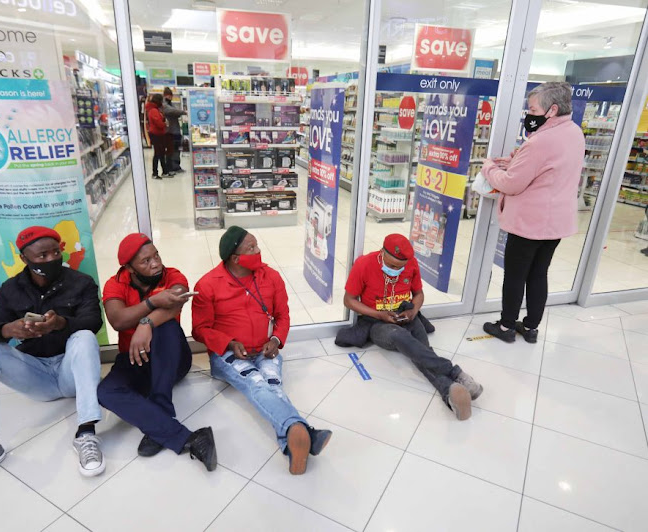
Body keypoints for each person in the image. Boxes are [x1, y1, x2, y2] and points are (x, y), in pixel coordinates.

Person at [0, 226, 105, 498]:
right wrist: (9, 330)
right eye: (42, 255)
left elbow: (93, 321)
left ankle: (86, 433)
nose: (51, 258)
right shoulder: (10, 290)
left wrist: (62, 323)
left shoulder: (81, 282)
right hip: (36, 374)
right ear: (24, 257)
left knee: (85, 336)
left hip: (70, 371)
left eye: (55, 252)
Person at [192, 226, 332, 475]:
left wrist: (276, 340)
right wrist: (228, 343)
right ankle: (302, 431)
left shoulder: (271, 277)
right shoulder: (208, 285)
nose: (259, 251)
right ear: (235, 258)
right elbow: (200, 329)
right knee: (257, 383)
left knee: (272, 383)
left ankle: (291, 445)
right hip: (229, 354)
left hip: (266, 350)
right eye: (252, 248)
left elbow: (283, 315)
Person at [97, 233, 217, 471]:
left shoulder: (174, 276)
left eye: (156, 255)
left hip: (172, 359)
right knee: (105, 391)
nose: (155, 263)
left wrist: (146, 324)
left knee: (167, 326)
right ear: (129, 268)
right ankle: (188, 436)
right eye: (145, 261)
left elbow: (175, 303)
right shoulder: (115, 284)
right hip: (135, 360)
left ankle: (159, 415)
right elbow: (118, 320)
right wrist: (153, 302)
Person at [481, 82, 585, 344]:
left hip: (530, 222)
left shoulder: (540, 141)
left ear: (551, 110)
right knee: (539, 274)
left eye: (533, 108)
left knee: (515, 275)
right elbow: (549, 170)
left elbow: (511, 184)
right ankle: (530, 328)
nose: (529, 114)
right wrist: (517, 162)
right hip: (556, 222)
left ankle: (505, 327)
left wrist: (489, 169)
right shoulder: (574, 132)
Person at [342, 234, 483, 421]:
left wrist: (414, 310)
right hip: (377, 322)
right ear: (382, 252)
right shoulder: (364, 264)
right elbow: (348, 300)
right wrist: (379, 314)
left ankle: (450, 393)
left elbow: (418, 294)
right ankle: (454, 372)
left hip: (406, 315)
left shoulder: (411, 264)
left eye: (400, 268)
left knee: (421, 353)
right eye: (392, 266)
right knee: (401, 338)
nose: (395, 271)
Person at [146, 93, 173, 179]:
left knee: (161, 153)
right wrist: (165, 124)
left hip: (159, 134)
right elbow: (158, 123)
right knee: (158, 154)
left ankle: (164, 171)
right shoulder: (153, 110)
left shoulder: (155, 109)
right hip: (156, 134)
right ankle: (155, 173)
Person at [163, 87, 187, 173]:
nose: (170, 98)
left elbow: (175, 112)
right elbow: (171, 111)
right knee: (171, 150)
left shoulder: (171, 103)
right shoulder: (164, 104)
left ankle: (176, 166)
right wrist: (184, 112)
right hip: (170, 131)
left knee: (177, 149)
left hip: (175, 130)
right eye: (169, 96)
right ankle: (170, 167)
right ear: (166, 95)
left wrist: (179, 112)